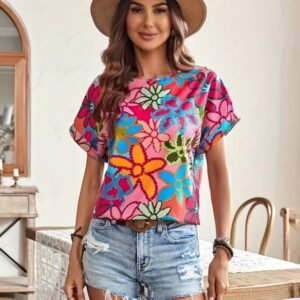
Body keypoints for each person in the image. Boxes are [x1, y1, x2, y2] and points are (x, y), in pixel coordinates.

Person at [64, 0, 240, 299]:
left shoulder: (204, 85)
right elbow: (92, 179)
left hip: (176, 245)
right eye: (136, 9)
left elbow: (219, 174)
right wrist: (75, 253)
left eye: (159, 9)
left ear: (174, 19)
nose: (148, 21)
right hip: (108, 245)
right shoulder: (103, 88)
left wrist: (223, 251)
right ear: (124, 17)